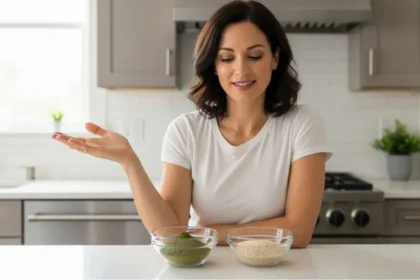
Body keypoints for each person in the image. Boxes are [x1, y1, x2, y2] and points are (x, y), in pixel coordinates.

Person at [52, 0, 332, 248]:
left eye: (255, 56)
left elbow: (299, 231)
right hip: (202, 269)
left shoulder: (301, 123)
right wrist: (130, 162)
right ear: (214, 65)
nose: (241, 70)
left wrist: (204, 233)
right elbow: (169, 232)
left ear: (275, 58)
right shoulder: (185, 131)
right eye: (226, 58)